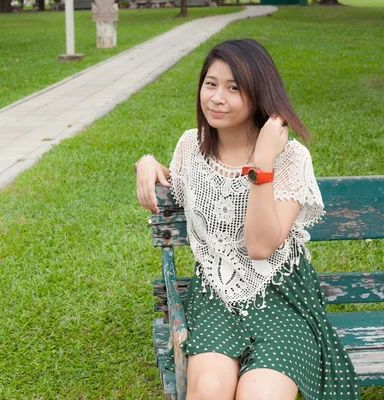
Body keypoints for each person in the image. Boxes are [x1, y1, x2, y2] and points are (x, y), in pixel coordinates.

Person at [135, 39, 359, 400]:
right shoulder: (191, 147)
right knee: (208, 391)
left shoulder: (290, 158)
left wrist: (264, 164)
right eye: (211, 84)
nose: (217, 98)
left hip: (282, 301)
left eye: (233, 88)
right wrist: (146, 162)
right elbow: (178, 179)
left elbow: (259, 246)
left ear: (258, 94)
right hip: (215, 298)